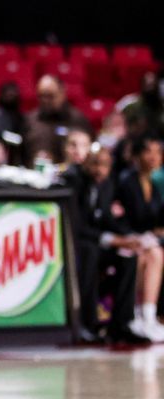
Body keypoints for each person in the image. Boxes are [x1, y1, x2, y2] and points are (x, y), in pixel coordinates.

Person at [62, 143, 151, 346]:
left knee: (128, 255)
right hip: (78, 243)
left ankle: (122, 324)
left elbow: (108, 219)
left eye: (104, 165)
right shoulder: (74, 183)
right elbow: (78, 225)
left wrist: (129, 237)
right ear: (85, 163)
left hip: (97, 241)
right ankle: (87, 324)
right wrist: (111, 239)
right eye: (95, 164)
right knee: (89, 252)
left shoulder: (107, 185)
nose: (99, 170)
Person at [115, 136, 164, 341]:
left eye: (158, 152)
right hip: (126, 240)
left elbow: (153, 219)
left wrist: (156, 231)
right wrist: (133, 237)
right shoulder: (127, 181)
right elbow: (120, 218)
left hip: (145, 240)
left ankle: (148, 317)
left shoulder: (153, 184)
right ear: (136, 156)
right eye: (148, 151)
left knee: (154, 252)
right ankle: (136, 314)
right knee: (148, 255)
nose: (153, 157)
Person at [25, 75, 94, 164]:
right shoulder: (30, 120)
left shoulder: (78, 120)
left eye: (50, 96)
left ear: (62, 94)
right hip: (33, 174)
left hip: (68, 175)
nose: (45, 100)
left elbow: (88, 151)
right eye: (41, 96)